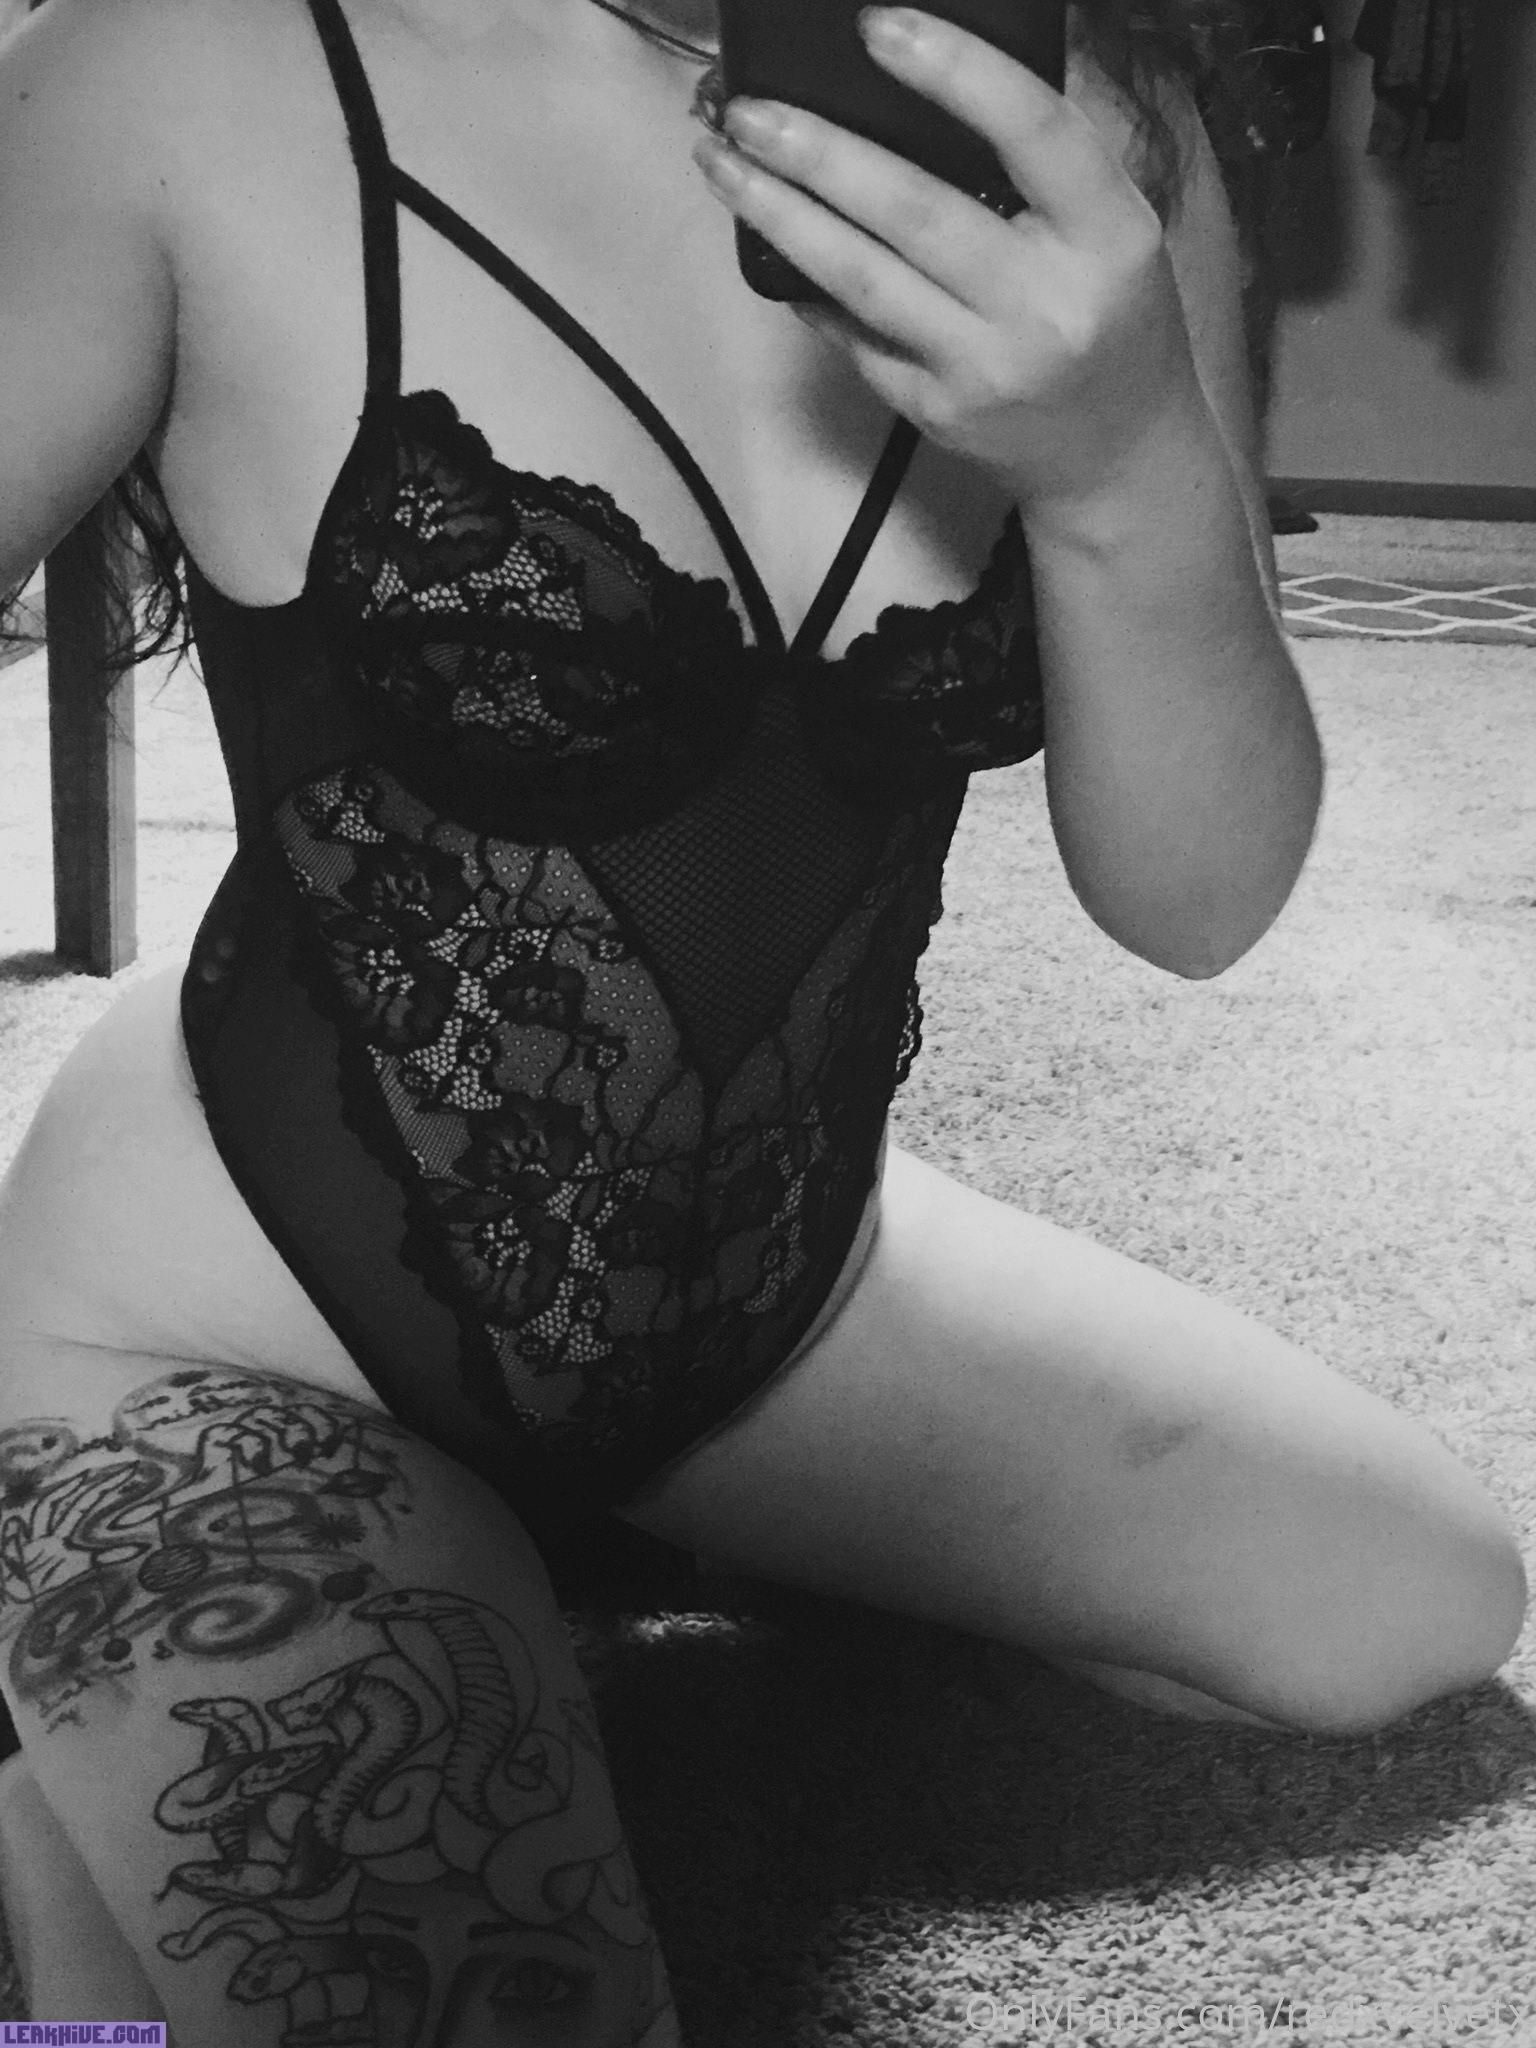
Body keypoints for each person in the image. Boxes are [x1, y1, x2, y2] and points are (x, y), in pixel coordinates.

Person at [0, 0, 1524, 2037]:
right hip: (233, 1320)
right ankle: (83, 1807)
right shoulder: (195, 63)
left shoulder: (1098, 118)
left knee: (1411, 1602)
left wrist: (1125, 466)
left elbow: (1201, 905)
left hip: (767, 1301)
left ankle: (526, 1546)